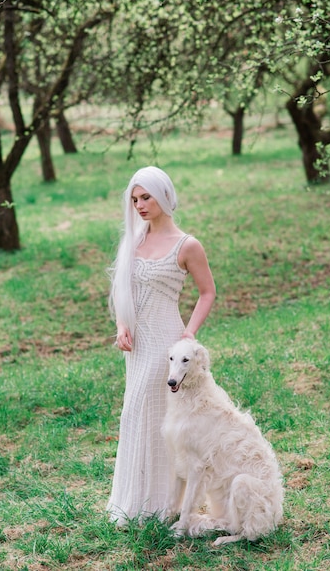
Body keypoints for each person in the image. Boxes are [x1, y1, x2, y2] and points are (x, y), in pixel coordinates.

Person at [107, 166, 216, 525]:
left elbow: (207, 292)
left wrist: (189, 334)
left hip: (165, 342)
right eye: (135, 199)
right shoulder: (135, 240)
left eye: (146, 197)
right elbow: (125, 288)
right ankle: (134, 503)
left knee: (148, 413)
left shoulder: (187, 245)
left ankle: (159, 506)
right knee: (138, 415)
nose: (139, 205)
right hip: (136, 346)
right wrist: (122, 323)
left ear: (164, 195)